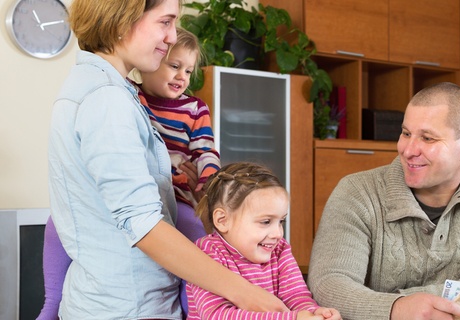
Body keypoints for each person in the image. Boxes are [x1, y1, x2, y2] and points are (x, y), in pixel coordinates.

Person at [47, 0, 288, 319]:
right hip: (127, 309)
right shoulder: (106, 100)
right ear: (123, 18)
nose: (173, 36)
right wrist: (243, 291)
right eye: (165, 22)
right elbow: (143, 225)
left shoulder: (106, 91)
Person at [307, 82, 460, 320]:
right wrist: (397, 308)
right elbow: (329, 285)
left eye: (427, 138)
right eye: (406, 133)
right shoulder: (356, 191)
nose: (408, 150)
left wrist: (408, 302)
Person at [38, 26, 220, 319]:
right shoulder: (126, 96)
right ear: (151, 62)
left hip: (178, 195)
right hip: (132, 199)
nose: (182, 77)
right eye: (174, 66)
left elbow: (206, 150)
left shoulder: (195, 108)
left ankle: (194, 308)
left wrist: (208, 180)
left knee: (196, 235)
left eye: (188, 71)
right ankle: (51, 304)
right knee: (55, 224)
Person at [186, 162, 342, 320]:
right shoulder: (207, 253)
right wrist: (292, 318)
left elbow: (296, 296)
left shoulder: (280, 250)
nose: (278, 234)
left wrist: (313, 312)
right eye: (266, 222)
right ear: (223, 220)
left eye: (281, 221)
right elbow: (218, 315)